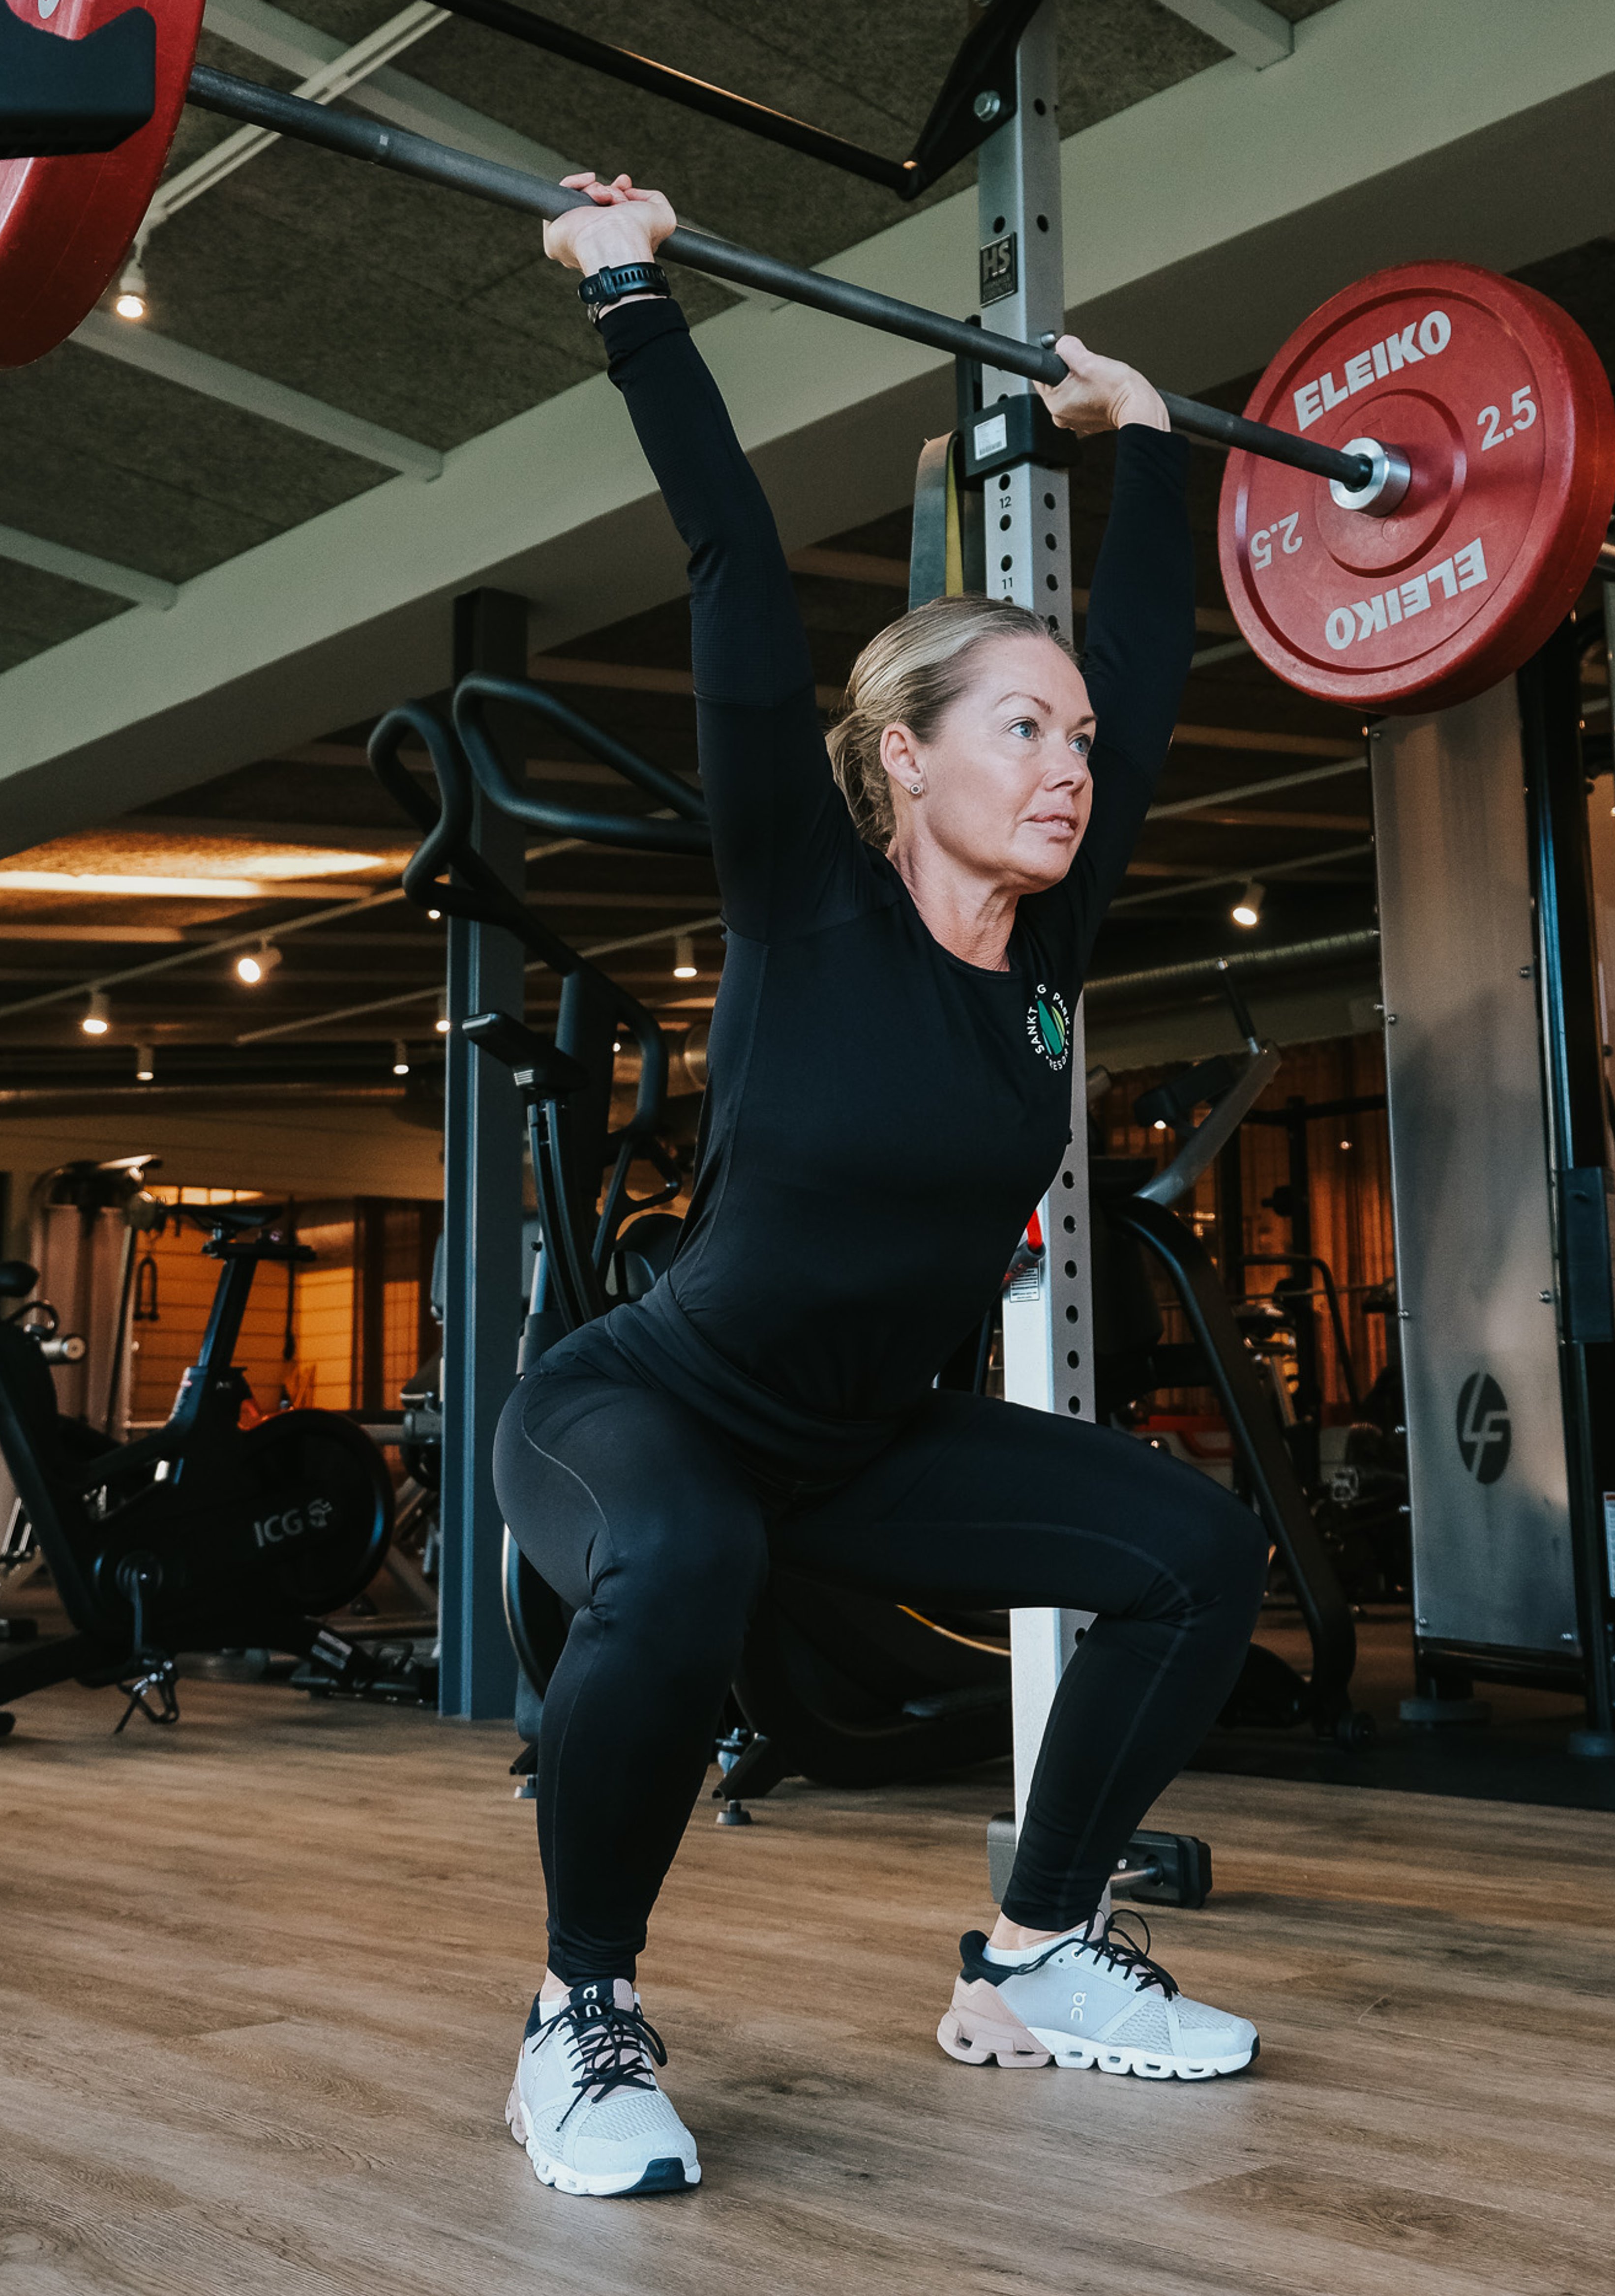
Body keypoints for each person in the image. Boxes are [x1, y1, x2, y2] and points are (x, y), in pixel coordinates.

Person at [498, 171, 1271, 2201]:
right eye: (1024, 727)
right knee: (688, 1565)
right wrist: (635, 293)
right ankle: (579, 2011)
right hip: (645, 1410)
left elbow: (1153, 667)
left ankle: (1036, 1954)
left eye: (1078, 738)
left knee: (1193, 1550)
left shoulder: (1048, 956)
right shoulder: (805, 897)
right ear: (909, 758)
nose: (1075, 760)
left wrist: (1160, 447)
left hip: (856, 1445)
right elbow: (735, 569)